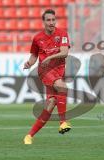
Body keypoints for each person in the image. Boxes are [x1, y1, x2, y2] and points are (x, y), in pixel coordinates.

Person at [23, 9, 71, 145]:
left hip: (59, 71)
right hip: (45, 71)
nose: (51, 22)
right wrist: (29, 63)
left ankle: (29, 136)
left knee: (50, 104)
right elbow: (34, 55)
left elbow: (64, 52)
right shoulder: (37, 38)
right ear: (43, 22)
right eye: (48, 20)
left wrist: (49, 57)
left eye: (53, 20)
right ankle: (63, 122)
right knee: (62, 86)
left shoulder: (62, 34)